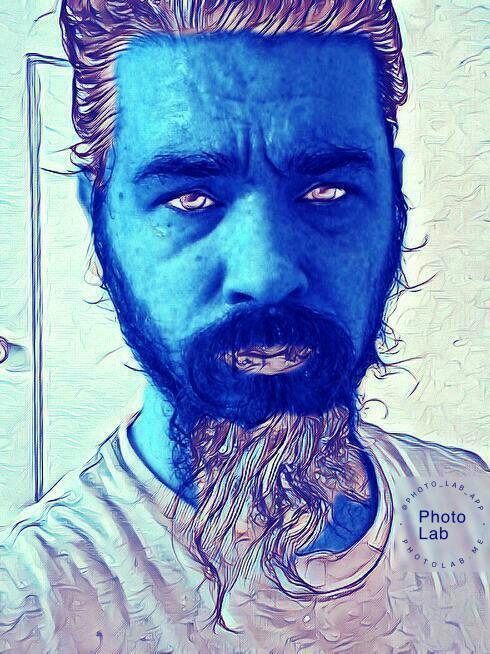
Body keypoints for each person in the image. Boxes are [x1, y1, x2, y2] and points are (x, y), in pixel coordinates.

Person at [1, 1, 488, 652]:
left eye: (327, 191)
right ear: (99, 219)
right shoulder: (31, 609)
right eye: (190, 198)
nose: (267, 274)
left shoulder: (472, 510)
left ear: (393, 199)